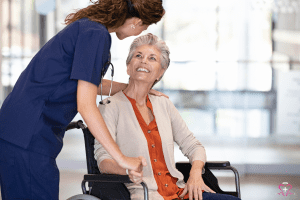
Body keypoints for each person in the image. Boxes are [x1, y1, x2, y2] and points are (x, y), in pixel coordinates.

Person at [0, 1, 165, 199]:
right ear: (136, 21)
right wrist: (121, 158)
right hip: (30, 135)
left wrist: (135, 90)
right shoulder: (96, 35)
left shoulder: (90, 28)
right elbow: (86, 105)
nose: (141, 31)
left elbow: (86, 82)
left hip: (19, 131)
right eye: (144, 26)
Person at [94, 33, 242, 200]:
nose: (144, 61)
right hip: (146, 195)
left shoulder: (163, 104)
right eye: (138, 56)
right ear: (128, 66)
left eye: (152, 58)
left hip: (182, 193)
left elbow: (193, 146)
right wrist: (127, 170)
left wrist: (195, 174)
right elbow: (103, 160)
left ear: (160, 72)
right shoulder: (110, 107)